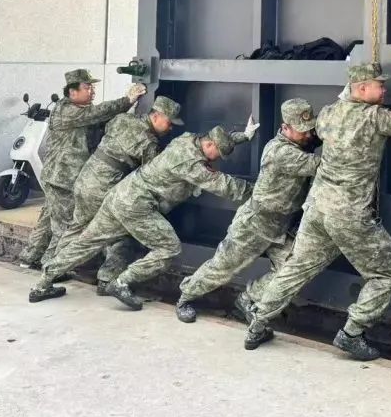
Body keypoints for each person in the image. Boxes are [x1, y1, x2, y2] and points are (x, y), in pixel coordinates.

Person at [244, 62, 391, 359]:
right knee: (385, 273)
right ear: (362, 88)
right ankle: (352, 333)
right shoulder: (373, 117)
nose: (384, 89)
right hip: (348, 214)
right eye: (379, 85)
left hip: (317, 209)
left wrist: (343, 102)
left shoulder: (327, 114)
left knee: (294, 268)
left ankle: (257, 323)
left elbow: (327, 124)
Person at [28, 125, 255, 310]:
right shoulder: (190, 164)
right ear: (209, 145)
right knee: (169, 249)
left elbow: (218, 139)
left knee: (87, 242)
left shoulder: (187, 139)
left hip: (120, 195)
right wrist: (260, 191)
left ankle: (42, 284)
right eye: (219, 154)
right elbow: (226, 186)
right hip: (137, 205)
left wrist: (241, 137)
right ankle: (122, 282)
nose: (218, 160)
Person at [176, 99, 322, 324]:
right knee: (222, 267)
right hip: (255, 224)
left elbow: (315, 138)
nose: (308, 135)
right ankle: (186, 296)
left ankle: (248, 298)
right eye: (302, 131)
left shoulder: (299, 143)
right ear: (285, 128)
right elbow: (319, 164)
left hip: (280, 226)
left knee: (292, 270)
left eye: (309, 129)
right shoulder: (280, 152)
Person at [53, 96, 185, 294]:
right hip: (105, 188)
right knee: (120, 235)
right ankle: (107, 279)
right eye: (169, 122)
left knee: (77, 226)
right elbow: (154, 174)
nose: (171, 128)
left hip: (86, 179)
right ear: (156, 116)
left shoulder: (123, 119)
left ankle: (54, 268)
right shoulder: (148, 143)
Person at [17, 71, 146, 268]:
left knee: (48, 219)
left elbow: (100, 120)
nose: (92, 91)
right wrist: (126, 100)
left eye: (92, 87)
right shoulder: (67, 110)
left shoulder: (80, 110)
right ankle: (52, 266)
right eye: (87, 87)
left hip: (58, 177)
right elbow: (96, 114)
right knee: (66, 226)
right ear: (72, 91)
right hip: (62, 179)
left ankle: (29, 257)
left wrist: (126, 112)